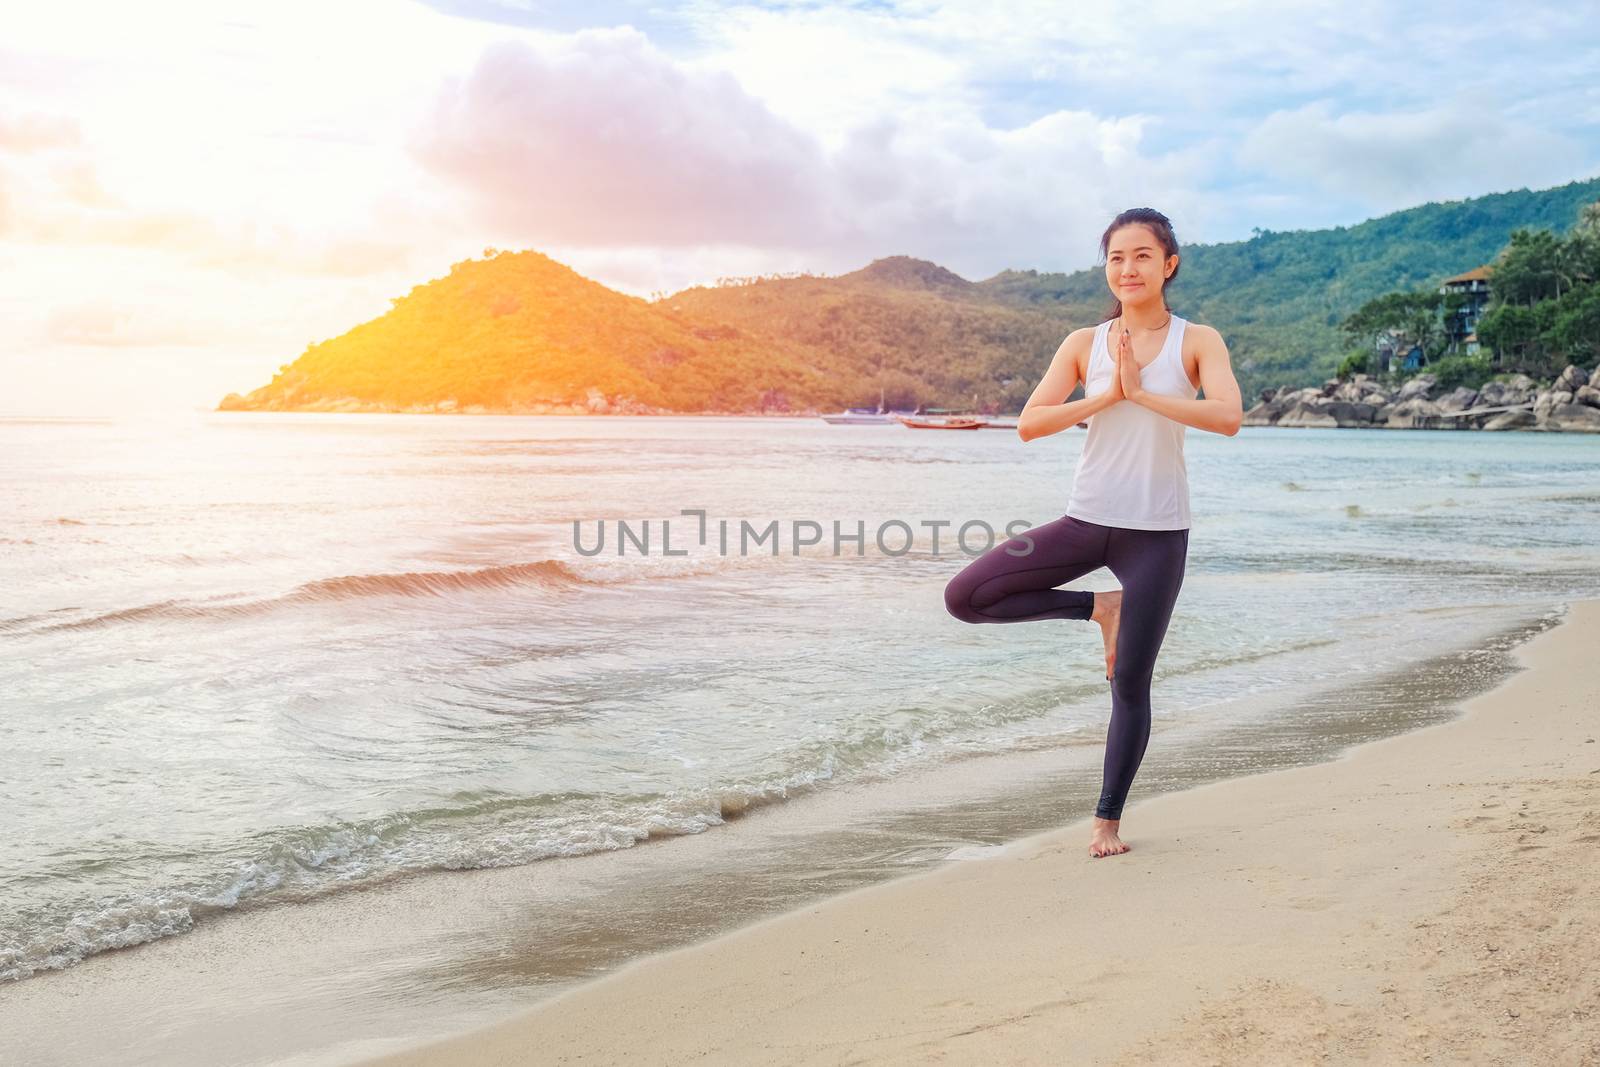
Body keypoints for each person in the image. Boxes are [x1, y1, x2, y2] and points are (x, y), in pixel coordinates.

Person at [943, 207, 1244, 859]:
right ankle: (1096, 606)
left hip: (1157, 535)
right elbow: (1031, 421)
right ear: (1105, 268)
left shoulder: (1198, 340)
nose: (1127, 268)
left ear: (1168, 265)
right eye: (1116, 257)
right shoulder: (1084, 343)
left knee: (1129, 684)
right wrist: (1107, 396)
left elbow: (1227, 416)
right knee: (966, 596)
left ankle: (1106, 821)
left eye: (1141, 256)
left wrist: (1142, 394)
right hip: (1086, 521)